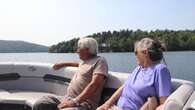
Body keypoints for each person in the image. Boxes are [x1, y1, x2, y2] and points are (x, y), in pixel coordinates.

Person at [97, 37, 172, 110]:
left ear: (145, 52)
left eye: (136, 52)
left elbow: (164, 104)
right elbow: (124, 87)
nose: (135, 55)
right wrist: (106, 104)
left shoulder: (160, 70)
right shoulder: (138, 69)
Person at [34, 37, 108, 110]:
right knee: (40, 103)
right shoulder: (83, 62)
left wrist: (75, 101)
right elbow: (77, 64)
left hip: (85, 103)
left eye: (79, 48)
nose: (77, 51)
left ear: (87, 49)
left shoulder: (100, 61)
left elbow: (95, 84)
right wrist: (62, 64)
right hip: (67, 98)